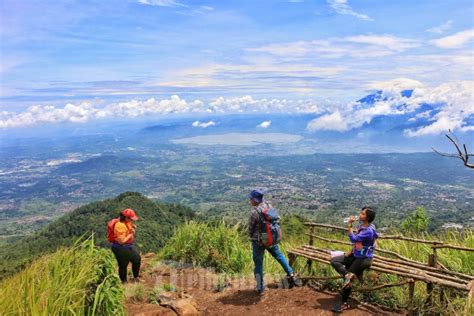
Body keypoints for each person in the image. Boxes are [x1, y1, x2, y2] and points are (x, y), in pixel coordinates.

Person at [247, 189, 300, 295]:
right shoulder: (269, 206)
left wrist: (252, 236)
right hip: (271, 238)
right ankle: (291, 273)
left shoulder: (254, 211)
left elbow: (250, 229)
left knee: (258, 263)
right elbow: (277, 219)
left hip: (259, 241)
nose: (250, 200)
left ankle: (260, 288)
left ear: (254, 200)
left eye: (251, 199)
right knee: (279, 255)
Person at [330, 206, 378, 313]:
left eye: (362, 214)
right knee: (334, 261)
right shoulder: (364, 226)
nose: (360, 215)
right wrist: (351, 251)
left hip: (364, 258)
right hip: (356, 255)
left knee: (349, 278)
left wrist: (349, 225)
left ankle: (344, 303)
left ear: (368, 218)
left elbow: (354, 239)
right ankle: (348, 276)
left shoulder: (369, 230)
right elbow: (361, 241)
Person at [111, 208, 141, 283]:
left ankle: (136, 278)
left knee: (137, 259)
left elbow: (128, 228)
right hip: (120, 248)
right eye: (131, 219)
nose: (132, 221)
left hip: (128, 246)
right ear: (126, 218)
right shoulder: (119, 225)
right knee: (123, 265)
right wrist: (131, 234)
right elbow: (121, 241)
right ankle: (124, 282)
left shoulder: (127, 222)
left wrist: (133, 228)